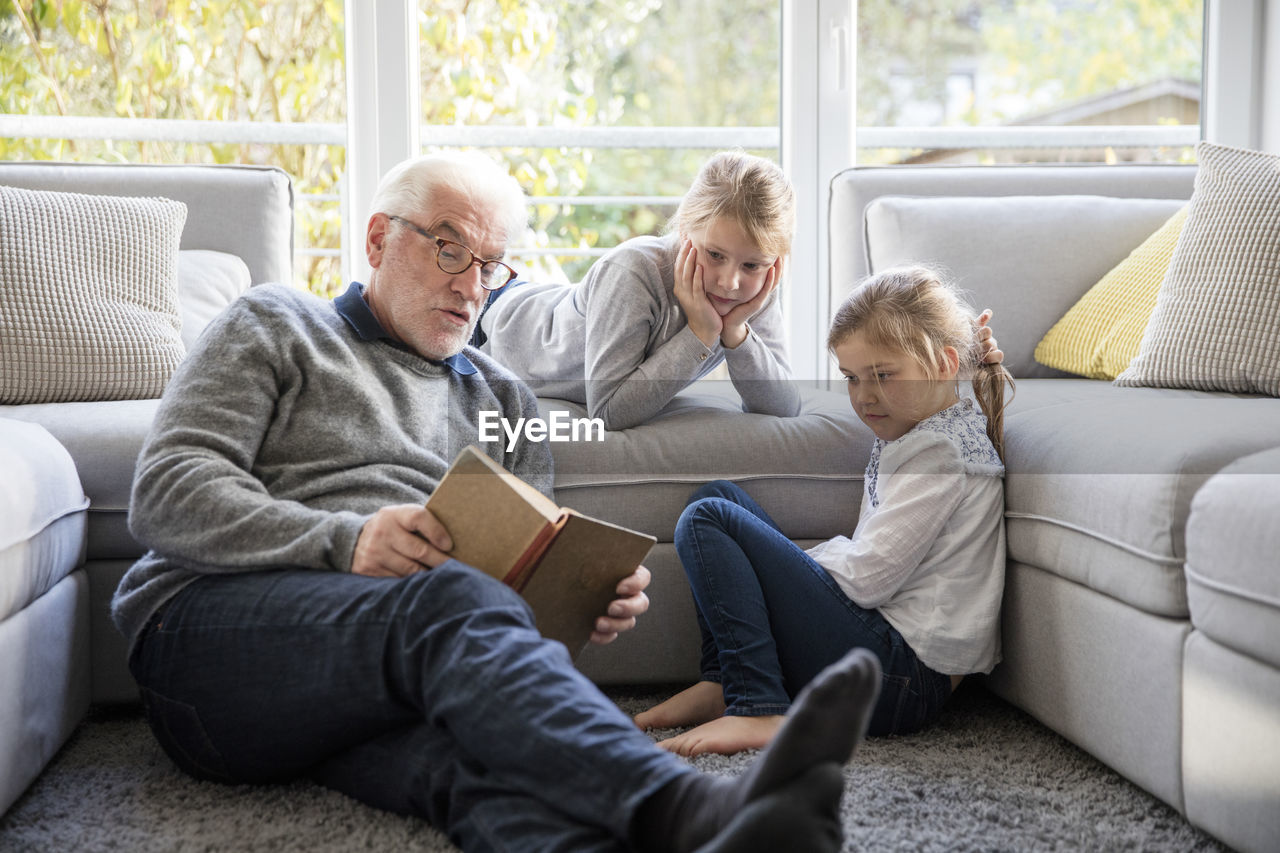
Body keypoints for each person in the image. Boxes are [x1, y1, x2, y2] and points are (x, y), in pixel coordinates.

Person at [111, 149, 886, 853]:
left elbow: (508, 618)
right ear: (379, 239)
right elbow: (167, 492)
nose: (470, 284)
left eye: (490, 265)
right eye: (450, 248)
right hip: (211, 648)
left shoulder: (506, 400)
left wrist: (580, 600)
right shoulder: (278, 323)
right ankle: (694, 808)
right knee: (445, 600)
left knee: (481, 767)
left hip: (382, 680)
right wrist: (345, 541)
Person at [636, 264, 1015, 757]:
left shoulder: (940, 453)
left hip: (900, 681)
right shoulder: (924, 430)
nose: (864, 397)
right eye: (852, 378)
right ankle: (725, 681)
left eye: (882, 375)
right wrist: (778, 567)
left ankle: (758, 706)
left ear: (943, 364)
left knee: (711, 519)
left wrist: (786, 567)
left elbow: (869, 577)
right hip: (887, 664)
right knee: (717, 496)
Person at [477, 150, 802, 430]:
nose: (729, 283)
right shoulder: (632, 271)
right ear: (685, 228)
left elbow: (785, 406)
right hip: (490, 318)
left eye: (752, 265)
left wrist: (736, 333)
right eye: (715, 255)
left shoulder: (753, 289)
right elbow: (607, 412)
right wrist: (700, 335)